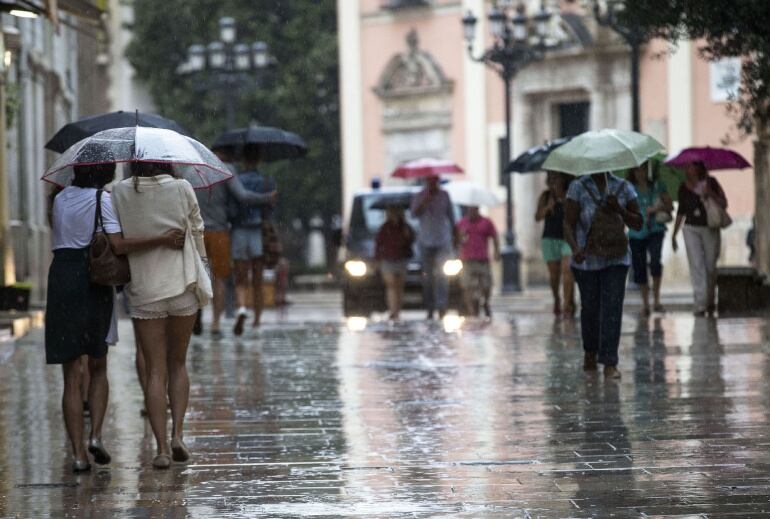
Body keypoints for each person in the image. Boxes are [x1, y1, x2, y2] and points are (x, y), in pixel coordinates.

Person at [46, 163, 184, 472]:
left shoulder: (59, 199)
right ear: (105, 171)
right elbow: (118, 244)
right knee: (98, 365)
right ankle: (95, 435)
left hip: (61, 280)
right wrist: (160, 239)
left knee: (70, 374)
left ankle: (78, 454)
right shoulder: (102, 199)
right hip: (93, 280)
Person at [112, 162, 207, 469]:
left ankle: (162, 448)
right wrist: (204, 270)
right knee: (178, 363)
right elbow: (198, 231)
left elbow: (117, 237)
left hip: (145, 287)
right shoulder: (182, 188)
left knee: (155, 369)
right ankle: (178, 434)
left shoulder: (120, 192)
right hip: (182, 283)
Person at [564, 171, 643, 379]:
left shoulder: (623, 187)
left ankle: (610, 361)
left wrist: (619, 209)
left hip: (617, 258)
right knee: (590, 308)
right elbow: (568, 223)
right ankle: (590, 351)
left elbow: (638, 223)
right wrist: (575, 248)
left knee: (612, 308)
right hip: (587, 261)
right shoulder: (578, 187)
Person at [195, 148, 277, 338]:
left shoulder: (194, 169)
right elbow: (242, 196)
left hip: (197, 231)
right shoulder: (224, 169)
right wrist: (267, 198)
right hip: (220, 231)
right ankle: (216, 323)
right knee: (220, 279)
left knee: (197, 277)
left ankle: (197, 313)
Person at [230, 144, 276, 335]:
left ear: (243, 160)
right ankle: (257, 319)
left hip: (239, 230)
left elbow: (232, 206)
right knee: (258, 279)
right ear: (258, 160)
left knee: (241, 278)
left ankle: (242, 308)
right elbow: (271, 208)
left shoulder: (237, 181)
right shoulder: (267, 182)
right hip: (258, 231)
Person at [671, 161, 727, 317]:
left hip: (710, 227)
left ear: (699, 167)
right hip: (690, 228)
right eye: (687, 166)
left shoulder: (711, 182)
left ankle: (710, 299)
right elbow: (681, 211)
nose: (688, 168)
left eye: (691, 165)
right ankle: (700, 303)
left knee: (710, 265)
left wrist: (710, 194)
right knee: (696, 264)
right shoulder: (683, 187)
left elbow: (724, 203)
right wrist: (674, 234)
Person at [626, 162, 674, 316]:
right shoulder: (628, 189)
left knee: (655, 261)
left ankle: (657, 301)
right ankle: (645, 303)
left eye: (643, 169)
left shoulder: (658, 186)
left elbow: (670, 207)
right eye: (637, 170)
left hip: (655, 229)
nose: (640, 173)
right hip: (636, 232)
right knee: (639, 267)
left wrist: (657, 208)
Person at [410, 175, 456, 320]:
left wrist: (455, 237)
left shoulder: (445, 195)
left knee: (442, 275)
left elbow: (451, 217)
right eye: (430, 181)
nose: (433, 184)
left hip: (442, 241)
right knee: (427, 277)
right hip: (425, 241)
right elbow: (413, 214)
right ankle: (429, 307)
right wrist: (424, 202)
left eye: (435, 181)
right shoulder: (419, 195)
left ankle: (442, 306)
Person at [535, 171, 575, 317]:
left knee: (567, 271)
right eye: (551, 178)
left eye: (557, 178)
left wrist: (564, 203)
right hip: (549, 238)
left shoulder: (570, 195)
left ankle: (567, 304)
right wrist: (548, 208)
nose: (554, 182)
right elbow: (537, 217)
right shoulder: (545, 196)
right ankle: (557, 298)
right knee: (554, 275)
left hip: (567, 239)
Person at [456, 205, 499, 318]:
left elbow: (494, 236)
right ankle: (471, 309)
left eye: (473, 210)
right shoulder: (462, 223)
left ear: (477, 209)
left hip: (482, 259)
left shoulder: (486, 222)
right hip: (467, 259)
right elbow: (456, 240)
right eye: (469, 210)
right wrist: (460, 237)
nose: (471, 212)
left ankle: (486, 302)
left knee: (486, 284)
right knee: (467, 285)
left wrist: (496, 251)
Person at [374, 204, 415, 320]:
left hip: (401, 258)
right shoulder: (384, 228)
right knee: (391, 285)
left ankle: (397, 310)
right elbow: (378, 244)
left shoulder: (405, 227)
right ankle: (393, 310)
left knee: (399, 286)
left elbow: (411, 240)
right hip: (388, 259)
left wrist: (407, 235)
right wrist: (377, 260)